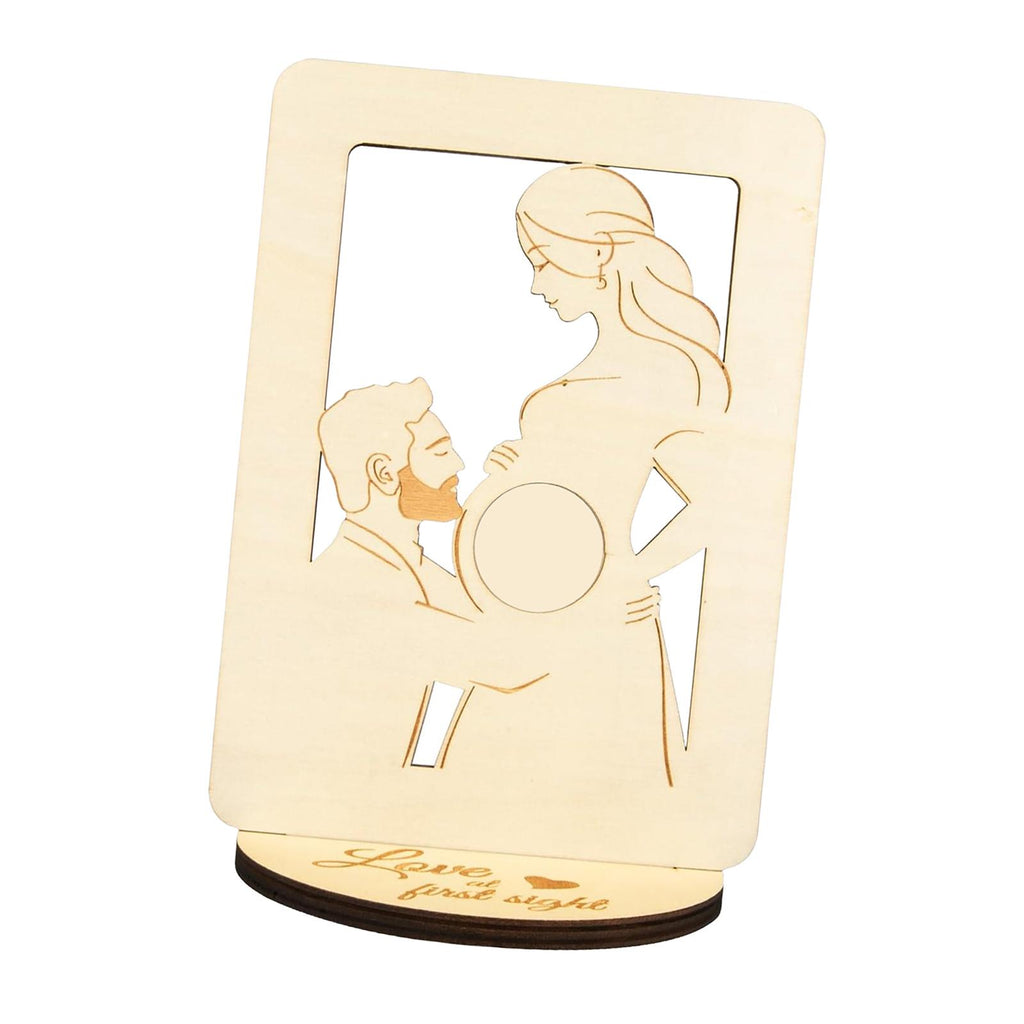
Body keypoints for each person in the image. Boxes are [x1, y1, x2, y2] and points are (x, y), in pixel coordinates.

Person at [450, 164, 732, 787]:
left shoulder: (659, 372)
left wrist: (631, 572)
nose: (536, 284)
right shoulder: (609, 367)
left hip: (595, 625)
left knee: (577, 787)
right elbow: (585, 480)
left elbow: (718, 503)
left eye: (543, 261)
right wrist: (519, 474)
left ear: (599, 251)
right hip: (529, 617)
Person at [313, 378, 549, 768]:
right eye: (440, 451)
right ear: (384, 474)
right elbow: (512, 662)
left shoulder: (402, 562)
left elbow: (493, 615)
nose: (458, 463)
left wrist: (506, 489)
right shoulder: (360, 581)